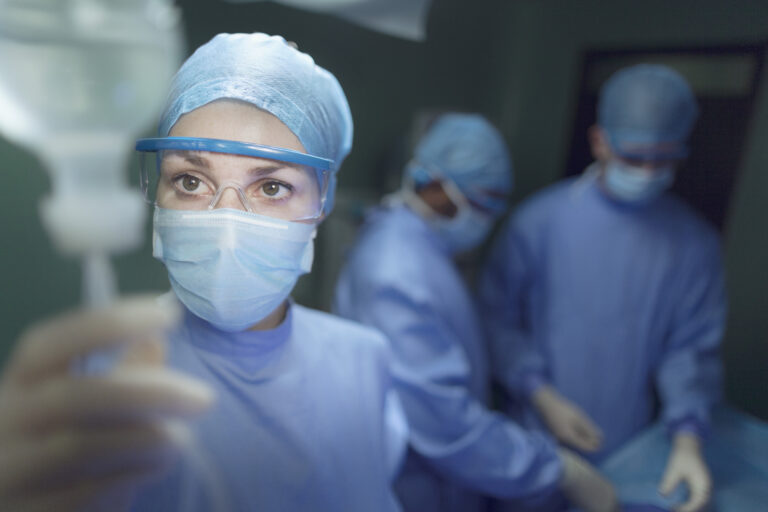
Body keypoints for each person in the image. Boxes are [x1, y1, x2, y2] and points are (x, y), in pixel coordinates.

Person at [0, 33, 403, 511]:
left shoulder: (363, 366)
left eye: (272, 187)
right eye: (190, 181)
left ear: (322, 202)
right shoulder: (96, 374)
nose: (227, 225)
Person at [334, 112, 618, 512]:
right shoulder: (395, 269)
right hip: (410, 485)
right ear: (434, 185)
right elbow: (441, 419)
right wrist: (557, 469)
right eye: (479, 203)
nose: (484, 220)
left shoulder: (420, 247)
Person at [479, 64, 724, 512]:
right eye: (634, 157)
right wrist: (541, 394)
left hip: (633, 449)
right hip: (539, 439)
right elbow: (496, 319)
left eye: (663, 159)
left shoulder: (693, 244)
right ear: (599, 141)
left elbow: (691, 351)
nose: (648, 171)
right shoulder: (541, 222)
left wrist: (688, 438)